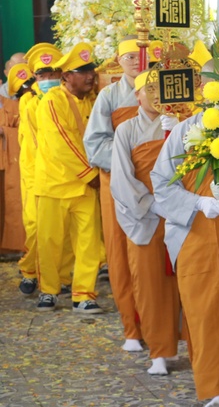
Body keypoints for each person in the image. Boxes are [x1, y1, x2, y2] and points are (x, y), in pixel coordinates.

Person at [151, 60, 219, 407]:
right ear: (203, 88)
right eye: (216, 84)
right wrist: (199, 204)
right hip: (195, 232)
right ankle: (213, 388)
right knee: (204, 310)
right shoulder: (184, 131)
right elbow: (160, 185)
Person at [110, 70, 181, 376]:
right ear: (136, 96)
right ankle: (159, 352)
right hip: (146, 217)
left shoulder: (179, 125)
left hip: (180, 214)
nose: (153, 95)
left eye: (158, 89)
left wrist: (177, 133)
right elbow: (122, 179)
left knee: (187, 284)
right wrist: (154, 203)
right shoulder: (126, 130)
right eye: (147, 89)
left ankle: (195, 345)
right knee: (150, 286)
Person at [83, 36, 146, 352]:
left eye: (141, 55)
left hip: (154, 181)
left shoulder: (158, 93)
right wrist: (130, 162)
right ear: (118, 62)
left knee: (154, 250)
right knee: (122, 252)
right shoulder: (109, 96)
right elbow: (94, 145)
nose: (136, 61)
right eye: (129, 57)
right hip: (117, 183)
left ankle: (160, 323)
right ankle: (132, 327)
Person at [34, 42, 104, 314]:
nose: (90, 76)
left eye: (91, 70)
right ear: (65, 76)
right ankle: (49, 290)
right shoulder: (52, 101)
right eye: (82, 71)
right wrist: (90, 174)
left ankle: (84, 294)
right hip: (54, 184)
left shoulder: (92, 100)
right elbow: (62, 142)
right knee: (50, 242)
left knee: (88, 241)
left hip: (84, 186)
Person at [16, 44, 73, 296]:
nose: (47, 79)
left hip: (66, 172)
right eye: (41, 76)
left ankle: (62, 276)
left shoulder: (67, 97)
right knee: (36, 227)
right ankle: (30, 271)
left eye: (52, 74)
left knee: (67, 230)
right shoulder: (29, 102)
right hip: (37, 171)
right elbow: (40, 142)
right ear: (35, 77)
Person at [0, 62, 35, 252]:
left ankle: (19, 244)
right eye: (15, 68)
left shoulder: (32, 97)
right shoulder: (3, 96)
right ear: (6, 72)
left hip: (23, 156)